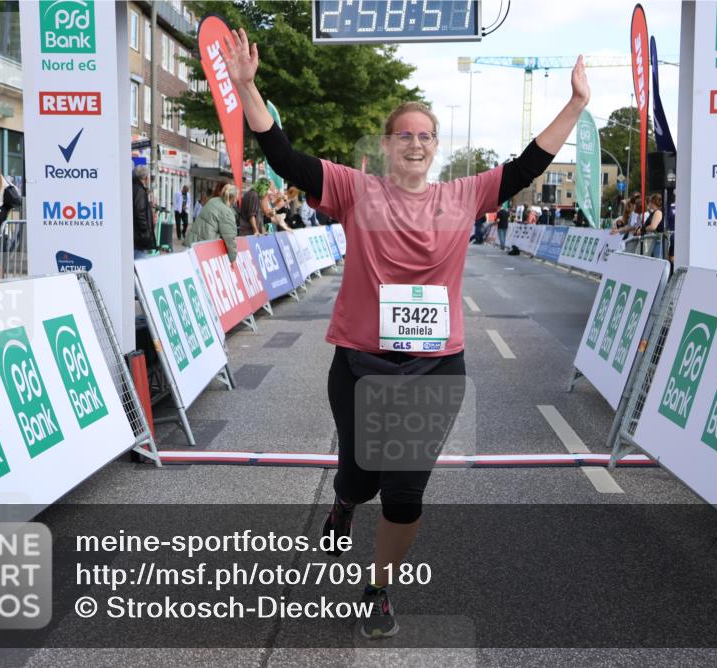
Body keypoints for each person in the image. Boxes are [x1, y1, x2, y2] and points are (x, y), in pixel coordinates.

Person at [224, 27, 590, 639]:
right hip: (361, 362)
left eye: (425, 136)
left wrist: (576, 104)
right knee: (363, 477)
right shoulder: (355, 190)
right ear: (388, 146)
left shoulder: (463, 195)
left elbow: (529, 164)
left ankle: (379, 587)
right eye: (405, 136)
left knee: (404, 492)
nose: (415, 144)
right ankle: (344, 498)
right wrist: (245, 86)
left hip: (434, 367)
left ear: (435, 147)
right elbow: (283, 157)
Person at [187, 184, 239, 261]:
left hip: (193, 244)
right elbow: (230, 238)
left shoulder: (213, 201)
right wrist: (232, 258)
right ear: (233, 198)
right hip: (206, 249)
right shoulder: (227, 211)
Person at [132, 165, 157, 258]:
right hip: (139, 236)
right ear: (145, 177)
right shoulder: (139, 190)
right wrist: (146, 231)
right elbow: (140, 212)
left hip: (135, 234)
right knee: (140, 262)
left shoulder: (133, 187)